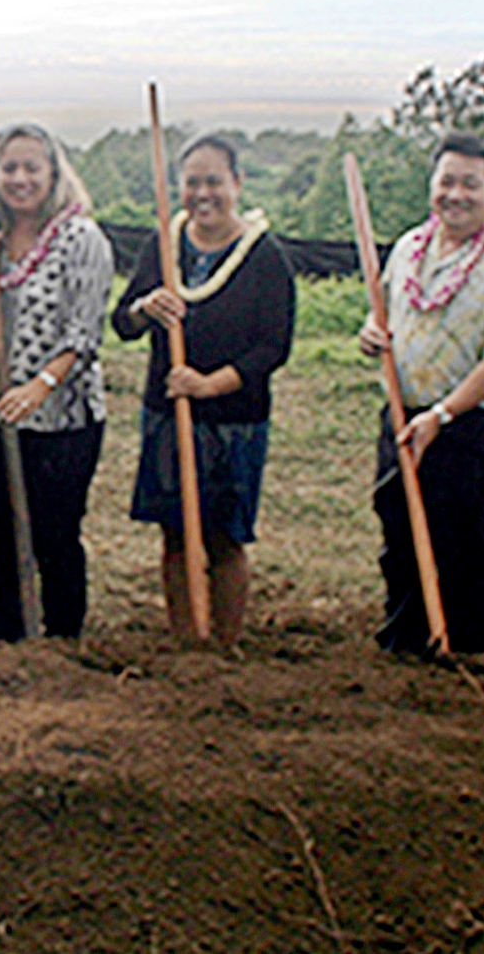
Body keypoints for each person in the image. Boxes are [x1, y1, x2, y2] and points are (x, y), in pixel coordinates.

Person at [357, 131, 484, 657]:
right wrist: (371, 336)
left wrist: (443, 414)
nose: (456, 195)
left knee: (458, 535)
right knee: (398, 526)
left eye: (471, 184)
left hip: (468, 425)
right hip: (402, 413)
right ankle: (405, 636)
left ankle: (463, 644)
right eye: (447, 182)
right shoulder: (408, 248)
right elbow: (388, 317)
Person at [111, 134, 294, 645]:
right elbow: (121, 324)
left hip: (234, 419)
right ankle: (187, 641)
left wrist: (211, 384)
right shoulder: (163, 246)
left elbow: (272, 347)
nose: (202, 193)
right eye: (192, 182)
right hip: (168, 413)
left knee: (224, 536)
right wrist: (146, 307)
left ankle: (225, 645)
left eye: (214, 181)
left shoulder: (265, 257)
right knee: (174, 532)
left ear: (237, 184)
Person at [0, 123, 112, 642]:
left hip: (62, 416)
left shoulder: (82, 238)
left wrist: (38, 387)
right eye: (9, 167)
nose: (20, 178)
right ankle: (8, 626)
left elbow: (84, 332)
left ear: (53, 173)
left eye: (31, 167)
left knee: (54, 531)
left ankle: (60, 636)